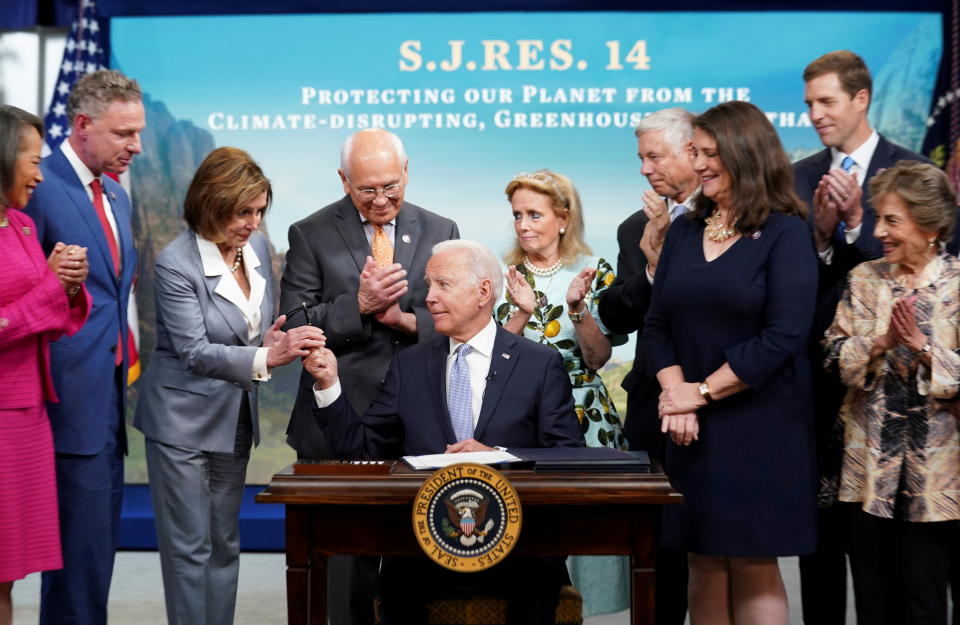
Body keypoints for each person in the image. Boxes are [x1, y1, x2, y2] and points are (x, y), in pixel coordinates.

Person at [305, 239, 585, 625]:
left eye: (443, 285)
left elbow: (569, 455)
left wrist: (495, 455)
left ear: (484, 291)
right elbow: (361, 446)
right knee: (397, 586)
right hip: (424, 546)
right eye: (428, 285)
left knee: (533, 587)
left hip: (521, 543)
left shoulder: (539, 364)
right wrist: (329, 386)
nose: (429, 298)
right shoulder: (410, 365)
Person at [792, 50, 953, 625]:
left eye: (826, 101)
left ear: (861, 99)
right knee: (842, 566)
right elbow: (804, 308)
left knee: (917, 582)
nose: (814, 114)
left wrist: (860, 226)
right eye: (808, 103)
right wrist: (819, 236)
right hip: (838, 415)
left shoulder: (914, 172)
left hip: (931, 445)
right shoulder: (798, 179)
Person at [133, 147, 325, 625]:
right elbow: (194, 352)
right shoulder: (176, 263)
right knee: (190, 550)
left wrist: (271, 341)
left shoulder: (255, 248)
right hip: (181, 425)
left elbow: (245, 331)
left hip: (235, 418)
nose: (254, 224)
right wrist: (267, 356)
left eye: (260, 211)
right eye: (244, 212)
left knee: (224, 544)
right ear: (211, 204)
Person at [645, 100, 818, 625]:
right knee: (702, 560)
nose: (698, 164)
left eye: (709, 153)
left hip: (760, 423)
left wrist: (699, 393)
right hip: (690, 428)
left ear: (746, 154)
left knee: (752, 563)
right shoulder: (683, 231)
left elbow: (784, 335)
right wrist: (678, 396)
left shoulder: (786, 232)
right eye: (695, 152)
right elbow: (657, 325)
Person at [279, 128, 458, 625]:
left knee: (414, 571)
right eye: (366, 190)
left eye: (390, 186)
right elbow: (293, 323)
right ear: (343, 181)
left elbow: (459, 317)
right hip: (336, 422)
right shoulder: (309, 233)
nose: (381, 200)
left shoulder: (441, 230)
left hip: (418, 425)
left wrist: (403, 319)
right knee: (344, 579)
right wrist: (357, 306)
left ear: (406, 172)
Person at [23, 69, 144, 625]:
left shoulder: (117, 197)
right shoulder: (37, 188)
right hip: (60, 407)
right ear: (82, 125)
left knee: (94, 555)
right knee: (75, 561)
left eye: (137, 133)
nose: (135, 146)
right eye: (123, 134)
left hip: (108, 406)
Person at [823, 160, 960, 625]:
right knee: (873, 605)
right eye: (877, 217)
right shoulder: (864, 279)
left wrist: (924, 349)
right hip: (868, 480)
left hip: (941, 485)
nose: (878, 230)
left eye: (891, 220)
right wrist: (879, 343)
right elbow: (832, 356)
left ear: (930, 226)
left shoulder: (958, 285)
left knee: (924, 605)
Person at [495, 168, 627, 616]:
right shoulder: (500, 275)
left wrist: (576, 310)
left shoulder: (595, 273)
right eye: (517, 215)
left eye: (534, 214)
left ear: (564, 218)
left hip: (586, 422)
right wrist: (518, 314)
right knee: (531, 550)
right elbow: (491, 362)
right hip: (518, 424)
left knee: (589, 543)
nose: (524, 225)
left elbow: (596, 359)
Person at [597, 107, 698, 625]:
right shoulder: (634, 228)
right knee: (656, 551)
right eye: (640, 158)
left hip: (712, 400)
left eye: (654, 156)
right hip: (651, 409)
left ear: (693, 151)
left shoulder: (726, 218)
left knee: (715, 550)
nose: (644, 169)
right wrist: (652, 269)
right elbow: (615, 313)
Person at [0, 105, 90, 625]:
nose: (39, 173)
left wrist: (69, 287)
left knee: (8, 572)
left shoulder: (24, 226)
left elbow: (52, 318)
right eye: (31, 161)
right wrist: (51, 288)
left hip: (28, 417)